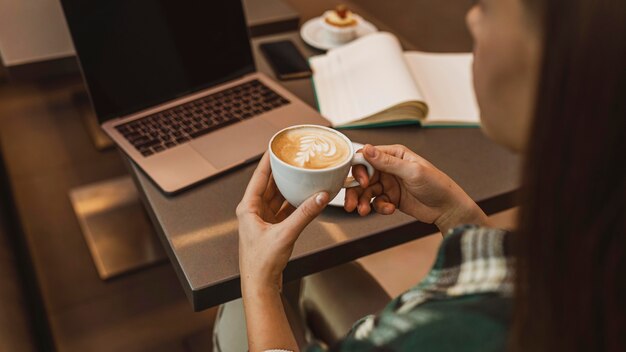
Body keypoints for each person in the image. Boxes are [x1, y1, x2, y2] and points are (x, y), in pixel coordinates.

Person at [233, 0, 626, 350]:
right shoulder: (587, 269)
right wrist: (457, 216)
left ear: (563, 60)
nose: (472, 18)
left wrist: (259, 282)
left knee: (238, 315)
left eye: (488, 7)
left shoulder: (437, 333)